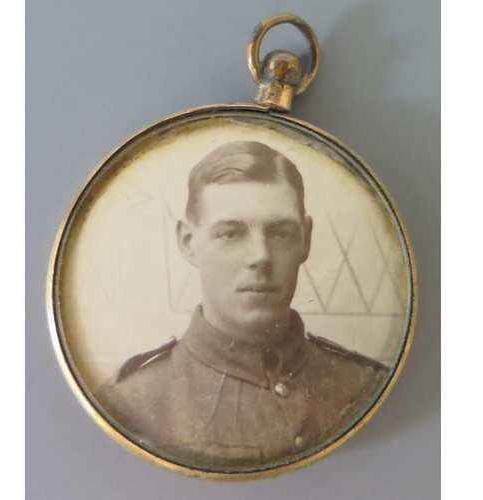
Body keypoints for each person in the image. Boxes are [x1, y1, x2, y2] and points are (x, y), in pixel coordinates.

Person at [97, 141, 388, 469]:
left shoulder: (366, 385)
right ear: (188, 242)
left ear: (306, 239)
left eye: (281, 233)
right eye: (231, 233)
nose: (260, 257)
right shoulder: (132, 402)